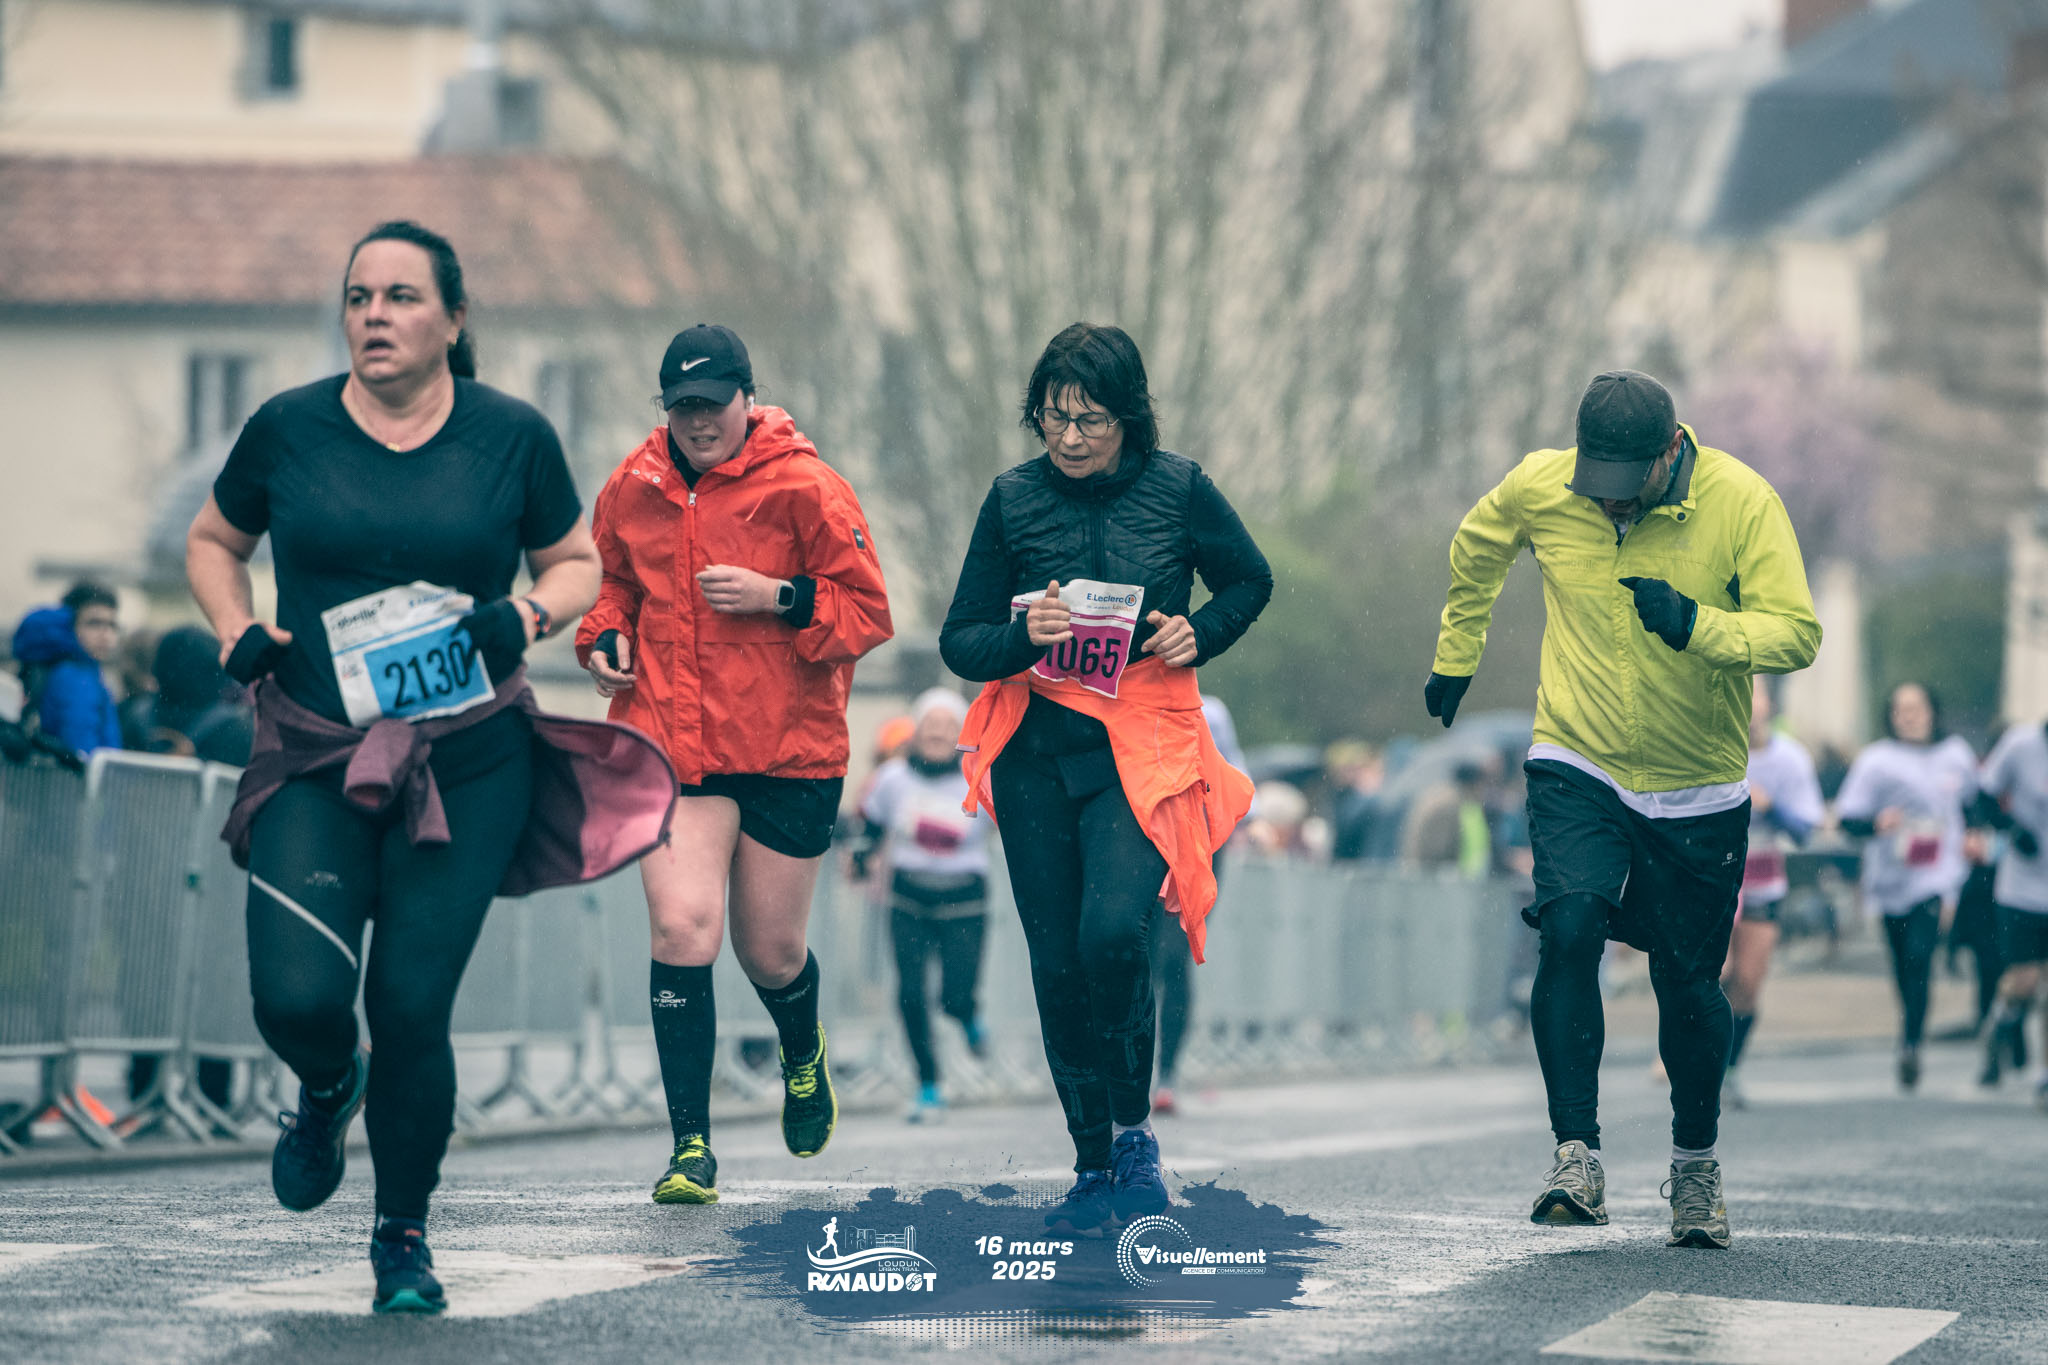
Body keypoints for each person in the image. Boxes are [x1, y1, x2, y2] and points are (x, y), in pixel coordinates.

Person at [185, 221, 675, 1314]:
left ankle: (401, 1237)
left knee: (410, 1004)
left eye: (401, 297)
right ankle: (327, 1085)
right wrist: (234, 627)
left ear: (453, 320)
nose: (374, 315)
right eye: (358, 296)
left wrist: (527, 615)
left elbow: (575, 560)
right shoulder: (288, 428)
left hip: (468, 759)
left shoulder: (510, 435)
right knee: (298, 997)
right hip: (318, 749)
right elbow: (214, 539)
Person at [1425, 368, 1820, 1250]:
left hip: (1697, 782)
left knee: (1688, 983)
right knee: (1569, 926)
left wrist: (1698, 625)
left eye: (1623, 485)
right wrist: (1458, 651)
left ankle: (1695, 1164)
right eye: (1593, 483)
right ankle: (1576, 1155)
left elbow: (1797, 631)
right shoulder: (1544, 484)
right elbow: (1477, 544)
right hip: (1579, 753)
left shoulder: (1743, 502)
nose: (1605, 503)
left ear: (1670, 452)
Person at [939, 322, 1270, 1234]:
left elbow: (1250, 581)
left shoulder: (1180, 487)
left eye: (1090, 419)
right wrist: (1023, 638)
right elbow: (961, 638)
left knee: (1114, 935)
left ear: (1129, 417)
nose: (1071, 437)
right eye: (1054, 418)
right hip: (1035, 758)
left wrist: (1199, 631)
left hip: (1140, 749)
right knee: (1055, 963)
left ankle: (1134, 1135)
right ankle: (1090, 1163)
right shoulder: (1012, 497)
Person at [577, 323, 893, 1206]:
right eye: (682, 406)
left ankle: (802, 1051)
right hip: (674, 746)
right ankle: (691, 1147)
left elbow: (868, 612)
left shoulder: (807, 485)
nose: (699, 420)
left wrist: (779, 596)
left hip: (787, 749)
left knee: (770, 949)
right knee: (683, 930)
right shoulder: (633, 485)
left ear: (747, 398)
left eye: (713, 404)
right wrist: (602, 638)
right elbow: (609, 587)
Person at [848, 687, 992, 1122]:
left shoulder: (979, 775)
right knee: (910, 995)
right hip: (908, 897)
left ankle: (968, 1017)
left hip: (965, 900)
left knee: (954, 996)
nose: (938, 733)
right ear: (916, 730)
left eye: (949, 726)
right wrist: (861, 855)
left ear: (962, 734)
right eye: (931, 724)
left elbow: (1014, 826)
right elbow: (871, 825)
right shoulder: (893, 778)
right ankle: (929, 1084)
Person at [1834, 683, 1977, 1092]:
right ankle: (1910, 1027)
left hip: (1937, 875)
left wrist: (1975, 833)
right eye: (1900, 709)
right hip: (1890, 879)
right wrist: (1877, 823)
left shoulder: (1956, 754)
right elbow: (1847, 820)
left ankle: (1911, 1044)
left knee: (1920, 956)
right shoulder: (1876, 760)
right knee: (1903, 963)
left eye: (1917, 708)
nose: (1909, 716)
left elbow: (1976, 802)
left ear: (1933, 712)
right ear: (1891, 716)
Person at [1720, 677, 1823, 1109]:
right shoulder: (1708, 748)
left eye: (1755, 692)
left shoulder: (1790, 759)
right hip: (1714, 878)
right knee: (1714, 973)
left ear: (1769, 705)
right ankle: (1690, 1055)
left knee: (1747, 983)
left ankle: (1728, 1068)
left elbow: (1804, 830)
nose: (1747, 701)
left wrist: (1770, 807)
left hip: (1762, 879)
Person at [1147, 693, 1245, 1117]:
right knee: (1135, 957)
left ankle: (1166, 1073)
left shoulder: (1213, 711)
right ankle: (1128, 1071)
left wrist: (1245, 819)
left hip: (1197, 843)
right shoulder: (1133, 693)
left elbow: (1232, 767)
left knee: (1173, 957)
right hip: (1146, 836)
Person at [1972, 716, 2048, 1102]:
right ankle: (1998, 1024)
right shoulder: (2021, 745)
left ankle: (2044, 1076)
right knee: (2025, 980)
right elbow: (1983, 795)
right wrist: (2013, 830)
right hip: (2022, 888)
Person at [10, 582, 123, 758]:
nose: (106, 635)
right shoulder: (75, 677)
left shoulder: (82, 670)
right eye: (94, 623)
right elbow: (82, 752)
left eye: (112, 625)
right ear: (70, 626)